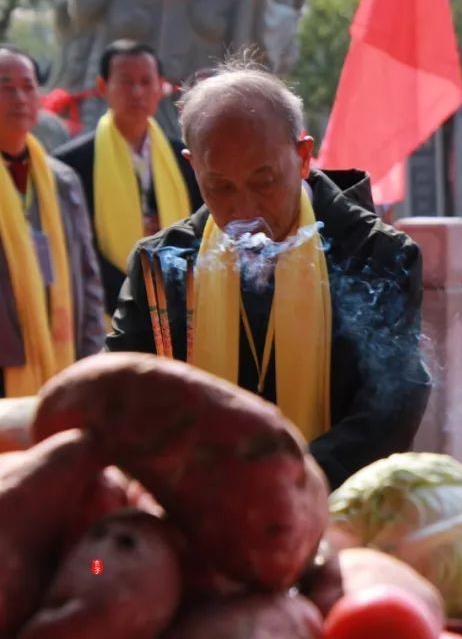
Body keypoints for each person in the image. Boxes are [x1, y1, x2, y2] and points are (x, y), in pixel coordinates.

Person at [106, 59, 429, 489]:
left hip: (333, 508)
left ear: (302, 157)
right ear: (193, 167)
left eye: (264, 181)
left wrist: (284, 483)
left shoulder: (374, 254)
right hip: (199, 509)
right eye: (220, 186)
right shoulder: (161, 268)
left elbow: (391, 406)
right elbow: (123, 400)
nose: (245, 210)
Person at [54, 40, 201, 315]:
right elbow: (73, 248)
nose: (137, 92)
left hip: (178, 299)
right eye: (125, 82)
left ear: (161, 87)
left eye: (146, 82)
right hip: (104, 308)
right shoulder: (70, 164)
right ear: (102, 87)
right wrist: (132, 293)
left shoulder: (185, 158)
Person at [0, 46, 105, 396]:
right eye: (6, 87)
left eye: (28, 87)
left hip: (63, 352)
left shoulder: (61, 179)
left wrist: (91, 351)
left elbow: (87, 277)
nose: (20, 98)